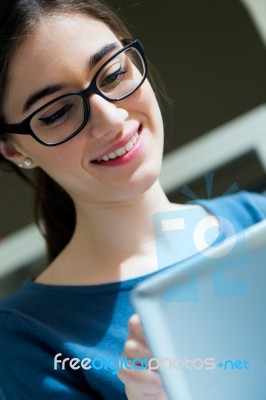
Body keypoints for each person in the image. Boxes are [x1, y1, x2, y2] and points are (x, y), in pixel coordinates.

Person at [0, 1, 266, 399]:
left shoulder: (255, 219)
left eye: (113, 73)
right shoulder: (26, 338)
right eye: (56, 113)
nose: (110, 119)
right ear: (12, 149)